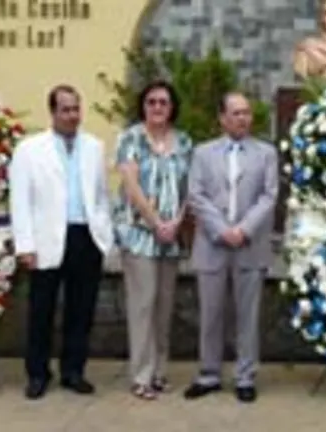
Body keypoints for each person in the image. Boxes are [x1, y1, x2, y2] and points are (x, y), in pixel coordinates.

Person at [9, 85, 114, 400]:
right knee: (41, 310)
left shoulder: (93, 146)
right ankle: (38, 373)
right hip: (46, 239)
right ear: (52, 112)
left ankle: (73, 371)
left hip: (86, 237)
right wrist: (24, 245)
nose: (72, 116)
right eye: (65, 110)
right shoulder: (29, 149)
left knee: (81, 311)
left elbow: (101, 196)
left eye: (76, 109)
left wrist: (104, 234)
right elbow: (20, 201)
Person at [182, 92, 278, 403]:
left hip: (250, 244)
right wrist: (223, 230)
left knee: (247, 315)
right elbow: (196, 195)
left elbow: (269, 195)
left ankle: (245, 376)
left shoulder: (266, 153)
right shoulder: (202, 153)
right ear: (222, 118)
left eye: (247, 113)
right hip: (212, 243)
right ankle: (208, 374)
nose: (243, 119)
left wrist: (244, 229)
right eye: (236, 113)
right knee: (210, 313)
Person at [113, 80, 193, 401]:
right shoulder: (130, 138)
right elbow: (131, 187)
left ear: (172, 106)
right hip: (140, 234)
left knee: (164, 307)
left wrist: (176, 221)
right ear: (142, 106)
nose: (157, 107)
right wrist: (156, 221)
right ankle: (141, 375)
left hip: (172, 235)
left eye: (163, 102)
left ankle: (160, 371)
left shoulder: (185, 141)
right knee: (142, 304)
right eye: (151, 102)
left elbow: (190, 187)